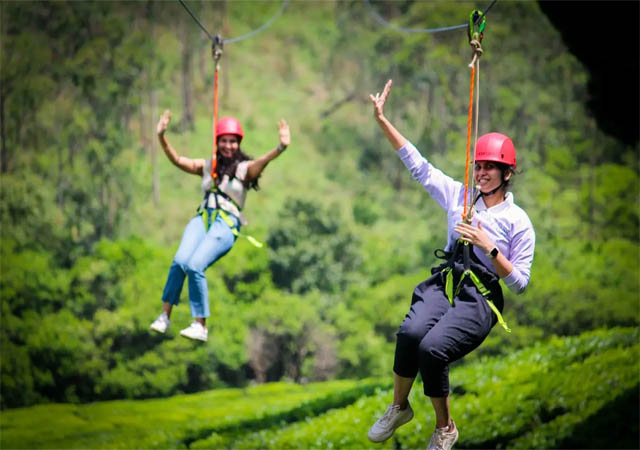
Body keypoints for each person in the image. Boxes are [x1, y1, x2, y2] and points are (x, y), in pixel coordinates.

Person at [366, 80, 535, 450]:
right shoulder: (460, 196)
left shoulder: (518, 222)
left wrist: (490, 248)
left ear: (507, 174)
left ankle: (445, 428)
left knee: (432, 349)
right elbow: (419, 166)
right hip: (447, 282)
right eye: (479, 167)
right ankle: (399, 407)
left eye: (491, 168)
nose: (482, 173)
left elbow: (520, 283)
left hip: (480, 297)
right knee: (410, 333)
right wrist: (382, 120)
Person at [150, 110, 290, 342]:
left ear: (238, 143)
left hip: (226, 223)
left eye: (232, 141)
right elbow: (178, 160)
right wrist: (162, 137)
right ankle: (165, 315)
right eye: (224, 141)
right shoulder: (209, 166)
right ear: (217, 142)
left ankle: (200, 325)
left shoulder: (244, 169)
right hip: (203, 218)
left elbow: (262, 162)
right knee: (181, 261)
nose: (228, 146)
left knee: (195, 265)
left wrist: (280, 147)